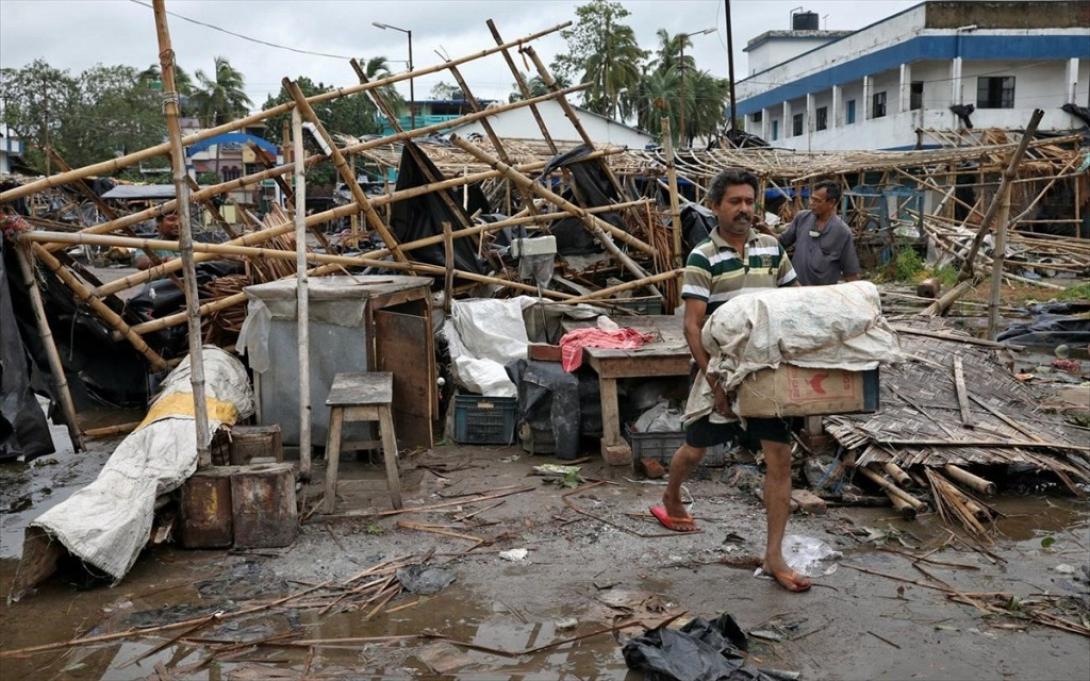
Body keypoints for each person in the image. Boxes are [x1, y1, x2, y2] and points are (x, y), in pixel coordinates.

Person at [650, 168, 812, 593]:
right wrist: (716, 382)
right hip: (720, 372)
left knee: (778, 457)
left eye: (748, 201)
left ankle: (774, 556)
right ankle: (671, 495)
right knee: (696, 447)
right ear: (715, 206)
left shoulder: (773, 249)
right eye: (734, 202)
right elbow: (692, 325)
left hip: (766, 374)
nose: (744, 209)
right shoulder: (703, 256)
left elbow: (794, 305)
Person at [778, 180, 861, 286]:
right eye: (811, 198)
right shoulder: (802, 218)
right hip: (795, 289)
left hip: (822, 295)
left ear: (831, 203)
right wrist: (764, 230)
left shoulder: (842, 232)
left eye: (817, 201)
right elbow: (781, 242)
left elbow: (851, 273)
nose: (811, 203)